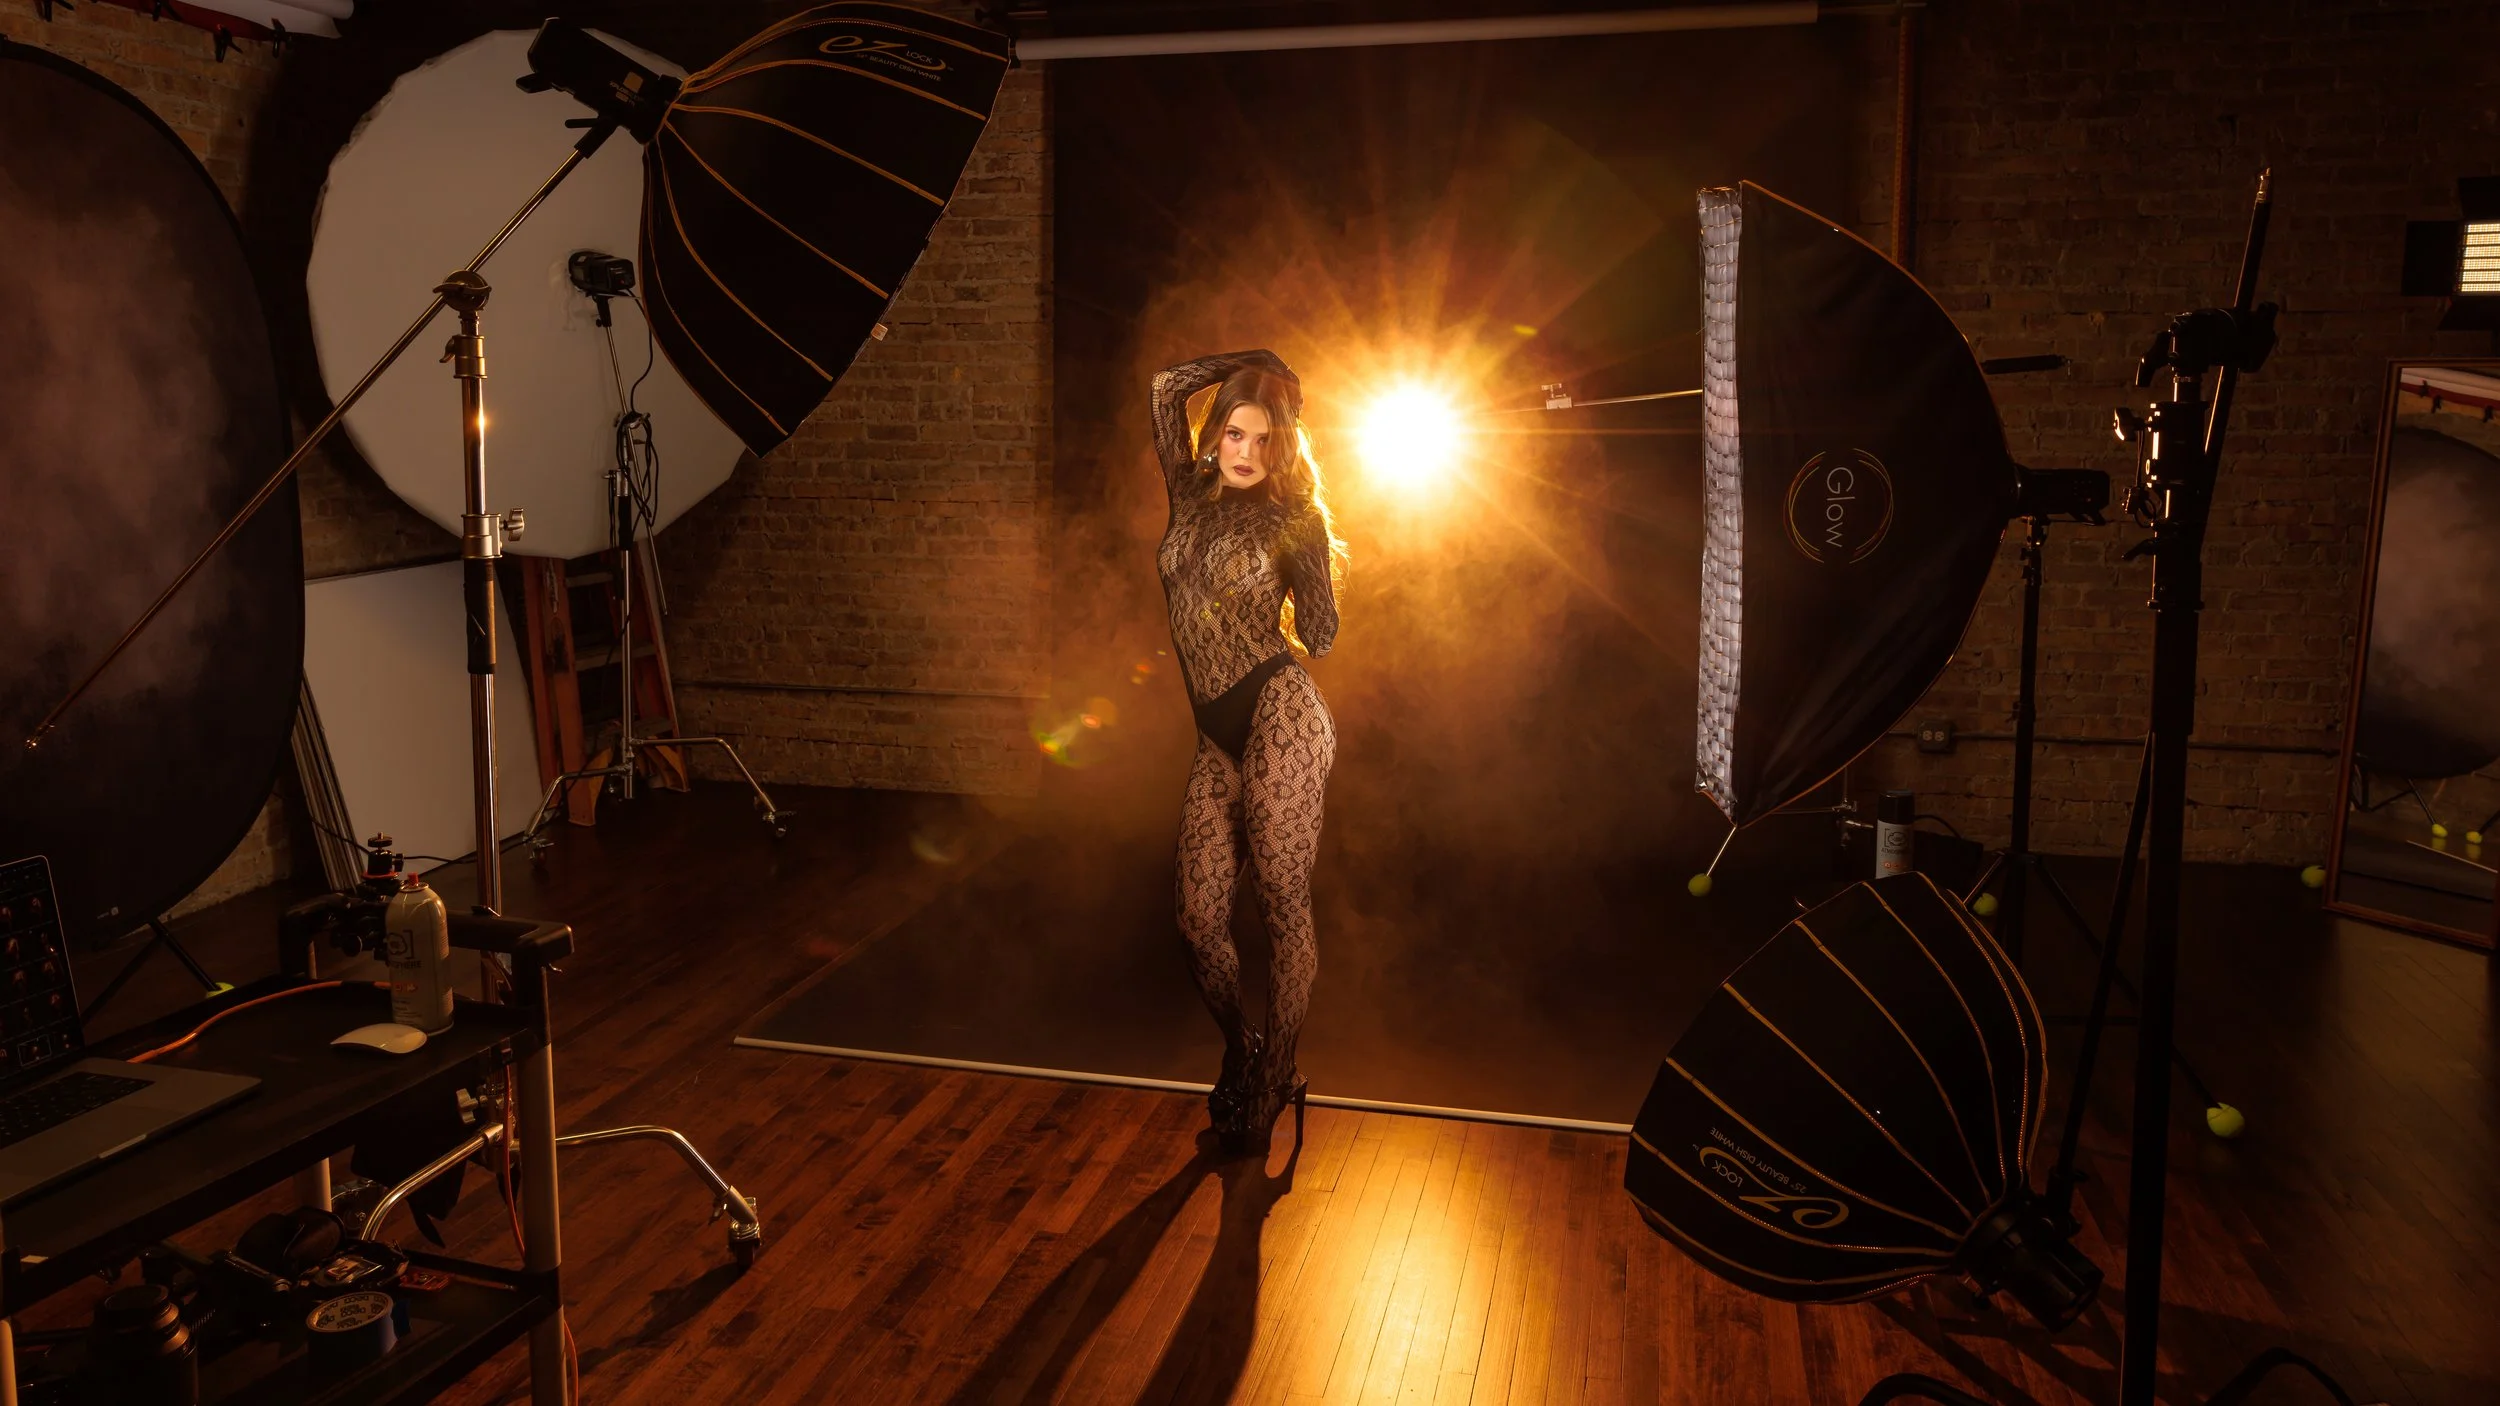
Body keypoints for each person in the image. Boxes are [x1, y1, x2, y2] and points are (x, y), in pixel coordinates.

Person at [1149, 348, 1343, 1154]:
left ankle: (1276, 1075)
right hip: (1214, 736)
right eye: (1235, 431)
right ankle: (1244, 1047)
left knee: (1279, 898)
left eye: (1265, 441)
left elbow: (1323, 636)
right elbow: (1165, 388)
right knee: (1197, 925)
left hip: (1280, 713)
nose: (1246, 452)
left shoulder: (1290, 517)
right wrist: (1258, 361)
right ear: (1215, 433)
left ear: (1283, 449)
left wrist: (1311, 562)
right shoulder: (1188, 496)